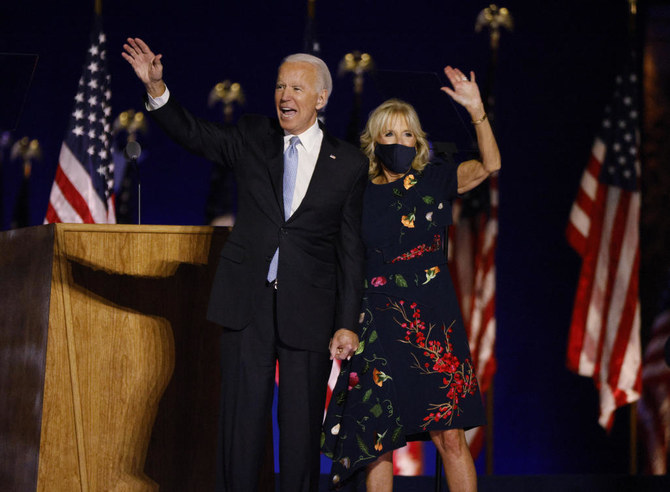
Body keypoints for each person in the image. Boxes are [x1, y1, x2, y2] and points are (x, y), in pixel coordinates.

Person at [122, 38, 368, 492]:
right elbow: (195, 133)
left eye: (296, 87)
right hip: (247, 303)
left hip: (310, 310)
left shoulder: (349, 163)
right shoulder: (254, 135)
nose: (285, 96)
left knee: (298, 431)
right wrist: (157, 89)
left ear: (321, 98)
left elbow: (351, 250)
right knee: (241, 426)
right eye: (279, 86)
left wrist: (347, 323)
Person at [322, 66, 501, 492]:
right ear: (374, 142)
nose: (399, 143)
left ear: (418, 142)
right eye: (389, 134)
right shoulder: (358, 192)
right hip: (376, 324)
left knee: (450, 436)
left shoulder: (434, 180)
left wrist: (476, 110)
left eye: (407, 135)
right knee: (377, 442)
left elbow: (490, 166)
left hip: (432, 323)